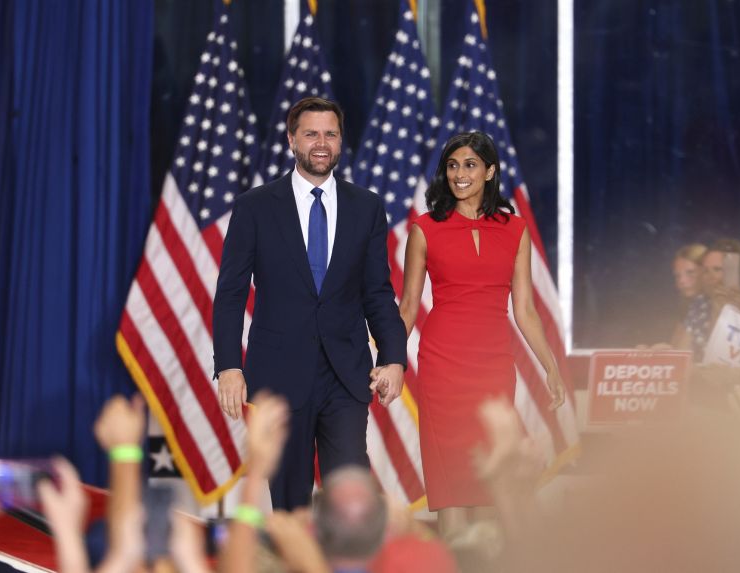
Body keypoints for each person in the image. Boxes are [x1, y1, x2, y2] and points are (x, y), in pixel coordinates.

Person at [212, 97, 407, 510]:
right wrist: (229, 365)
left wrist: (393, 358)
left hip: (345, 375)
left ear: (340, 141)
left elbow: (377, 291)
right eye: (311, 134)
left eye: (330, 134)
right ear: (291, 139)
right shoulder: (254, 207)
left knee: (350, 500)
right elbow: (230, 293)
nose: (322, 143)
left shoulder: (366, 207)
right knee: (289, 503)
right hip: (279, 376)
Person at [396, 131, 566, 539]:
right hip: (442, 365)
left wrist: (551, 367)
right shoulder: (424, 229)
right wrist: (389, 361)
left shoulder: (515, 229)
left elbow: (525, 310)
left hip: (493, 366)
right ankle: (454, 557)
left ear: (489, 171)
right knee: (450, 483)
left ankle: (491, 560)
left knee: (492, 476)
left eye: (470, 165)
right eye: (453, 165)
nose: (460, 173)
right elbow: (408, 306)